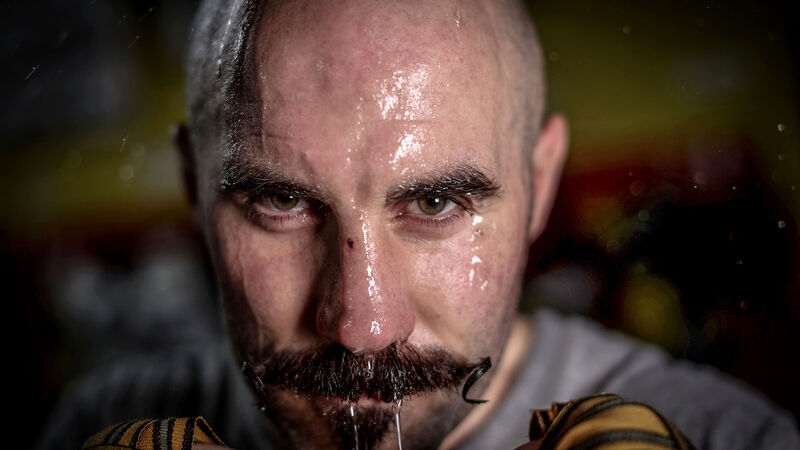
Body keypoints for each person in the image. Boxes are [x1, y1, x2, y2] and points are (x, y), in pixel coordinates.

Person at [39, 0, 800, 449]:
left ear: (539, 186)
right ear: (190, 184)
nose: (362, 325)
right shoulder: (102, 421)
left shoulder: (728, 438)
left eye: (435, 204)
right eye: (282, 202)